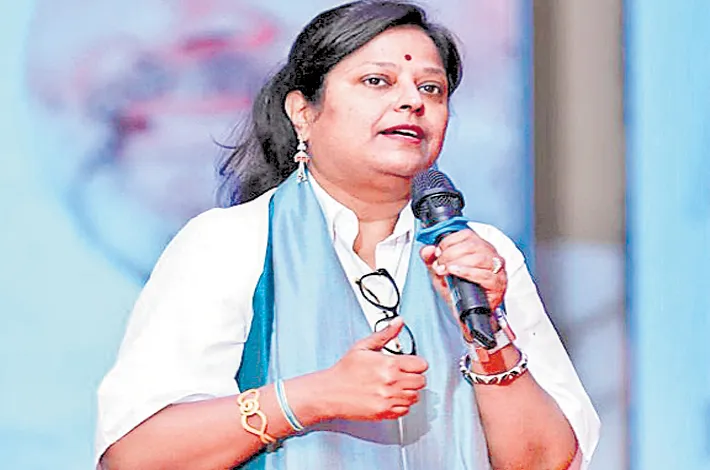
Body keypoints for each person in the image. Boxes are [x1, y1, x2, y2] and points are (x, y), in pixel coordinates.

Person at [95, 1, 600, 469]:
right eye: (378, 81)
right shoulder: (229, 243)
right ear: (303, 112)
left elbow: (545, 462)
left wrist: (489, 339)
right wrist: (314, 396)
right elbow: (136, 457)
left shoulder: (480, 256)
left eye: (432, 89)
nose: (412, 101)